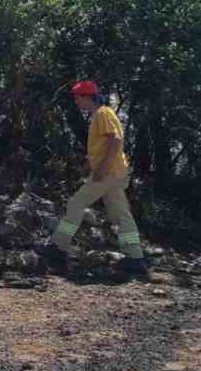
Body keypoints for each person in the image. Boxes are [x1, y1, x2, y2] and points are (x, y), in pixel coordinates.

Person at [45, 80, 148, 277]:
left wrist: (100, 169)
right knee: (121, 215)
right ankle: (136, 258)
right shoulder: (102, 114)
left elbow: (114, 140)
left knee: (76, 203)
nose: (76, 102)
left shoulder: (102, 113)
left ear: (86, 97)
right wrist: (89, 165)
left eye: (77, 98)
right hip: (116, 173)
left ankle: (58, 248)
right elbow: (104, 146)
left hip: (107, 174)